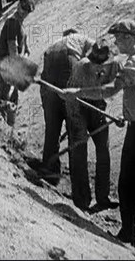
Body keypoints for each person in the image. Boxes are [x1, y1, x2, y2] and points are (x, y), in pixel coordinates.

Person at [63, 20, 135, 259]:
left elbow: (110, 90)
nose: (116, 42)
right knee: (126, 184)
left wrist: (77, 93)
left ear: (130, 38)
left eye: (119, 38)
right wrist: (127, 114)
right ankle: (128, 233)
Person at [63, 40, 121, 212]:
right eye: (96, 64)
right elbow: (71, 100)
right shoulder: (80, 68)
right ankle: (81, 199)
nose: (99, 68)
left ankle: (103, 197)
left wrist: (118, 114)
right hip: (78, 107)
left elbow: (114, 90)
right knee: (79, 150)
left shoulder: (113, 66)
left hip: (98, 107)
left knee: (103, 149)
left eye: (102, 64)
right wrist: (77, 126)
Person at [39, 29, 95, 184]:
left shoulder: (56, 43)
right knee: (75, 128)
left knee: (52, 126)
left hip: (49, 62)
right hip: (67, 60)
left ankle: (50, 172)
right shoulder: (85, 40)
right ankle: (80, 189)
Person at [0, 0, 35, 124]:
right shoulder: (12, 22)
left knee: (12, 99)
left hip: (12, 64)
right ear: (18, 7)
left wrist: (25, 53)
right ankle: (1, 129)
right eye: (22, 8)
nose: (23, 12)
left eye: (26, 11)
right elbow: (12, 47)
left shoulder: (20, 25)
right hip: (5, 64)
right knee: (5, 99)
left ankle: (10, 129)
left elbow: (24, 49)